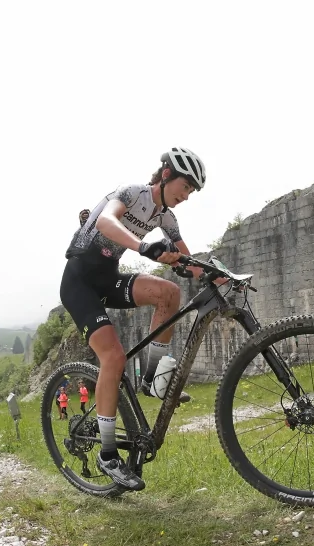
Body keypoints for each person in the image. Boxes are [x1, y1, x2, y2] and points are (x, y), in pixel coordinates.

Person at [60, 146, 224, 491]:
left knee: (170, 293)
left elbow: (189, 261)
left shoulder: (167, 218)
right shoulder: (132, 193)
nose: (186, 195)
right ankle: (107, 455)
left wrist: (219, 275)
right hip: (78, 282)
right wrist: (142, 246)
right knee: (113, 357)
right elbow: (105, 221)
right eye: (185, 186)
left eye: (192, 191)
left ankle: (150, 379)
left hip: (107, 279)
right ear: (166, 175)